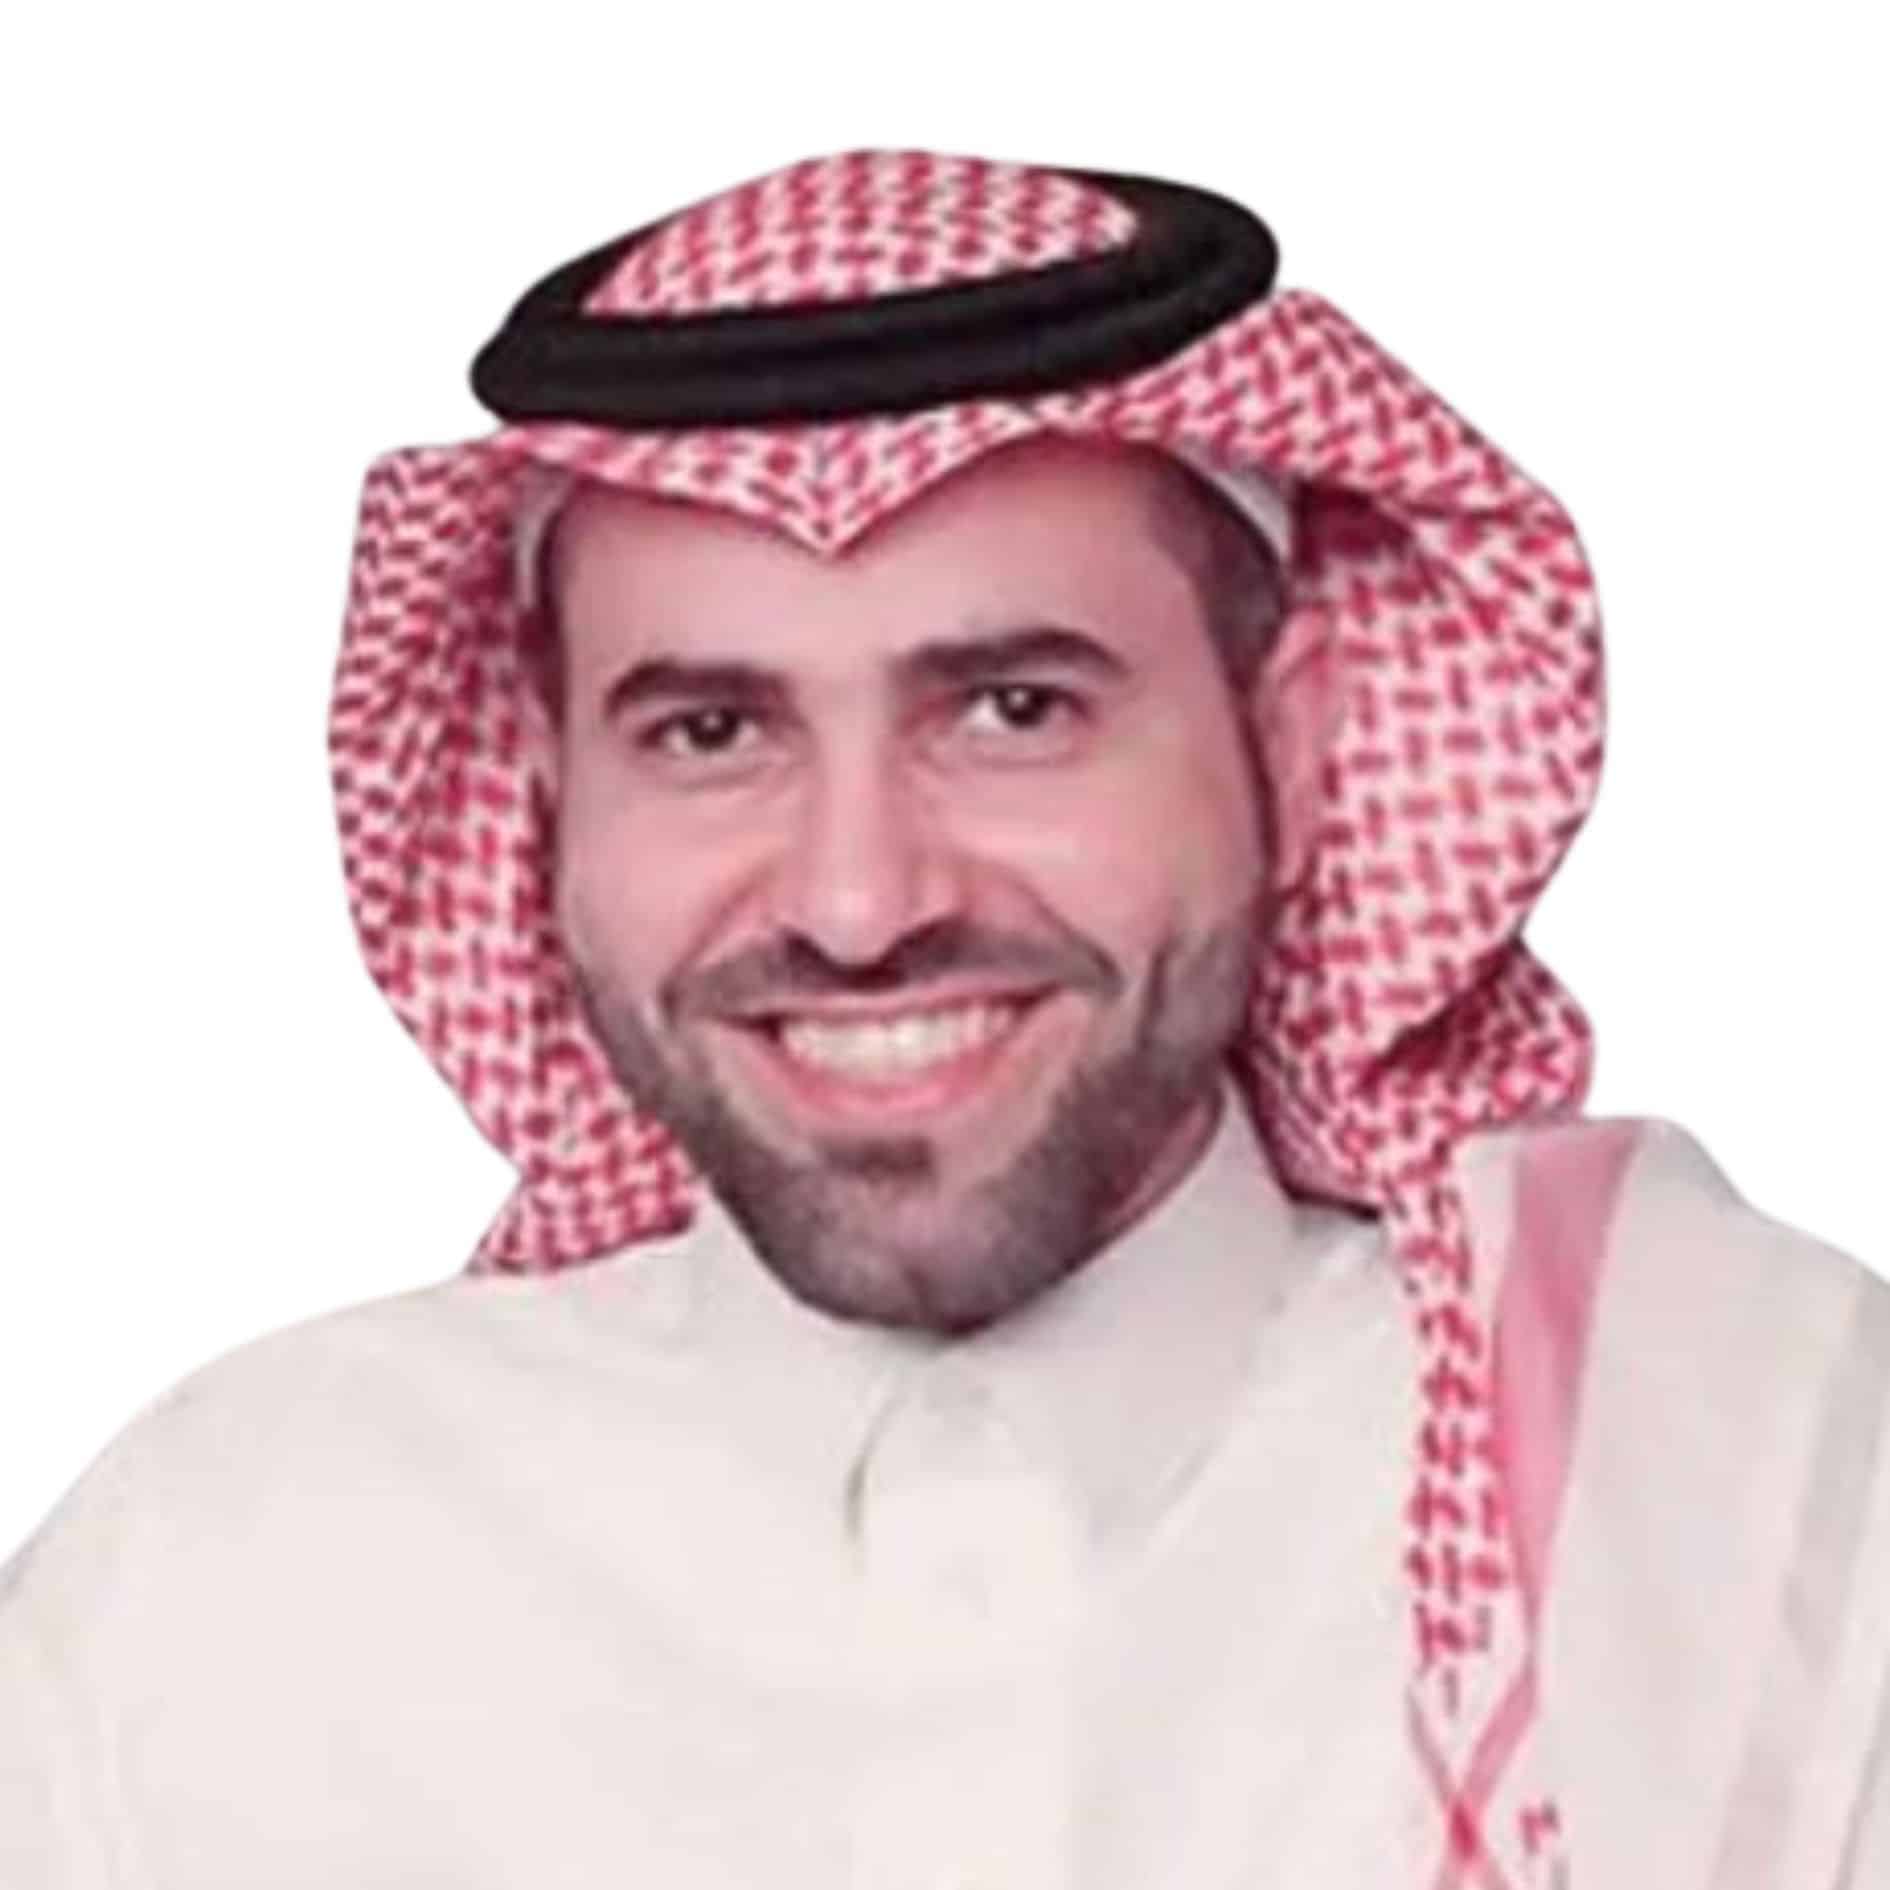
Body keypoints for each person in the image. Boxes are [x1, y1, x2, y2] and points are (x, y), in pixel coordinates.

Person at [2, 147, 1885, 1888]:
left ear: (1294, 746)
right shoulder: (208, 1594)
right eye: (710, 733)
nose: (858, 902)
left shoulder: (1757, 1469)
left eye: (1012, 710)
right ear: (551, 796)